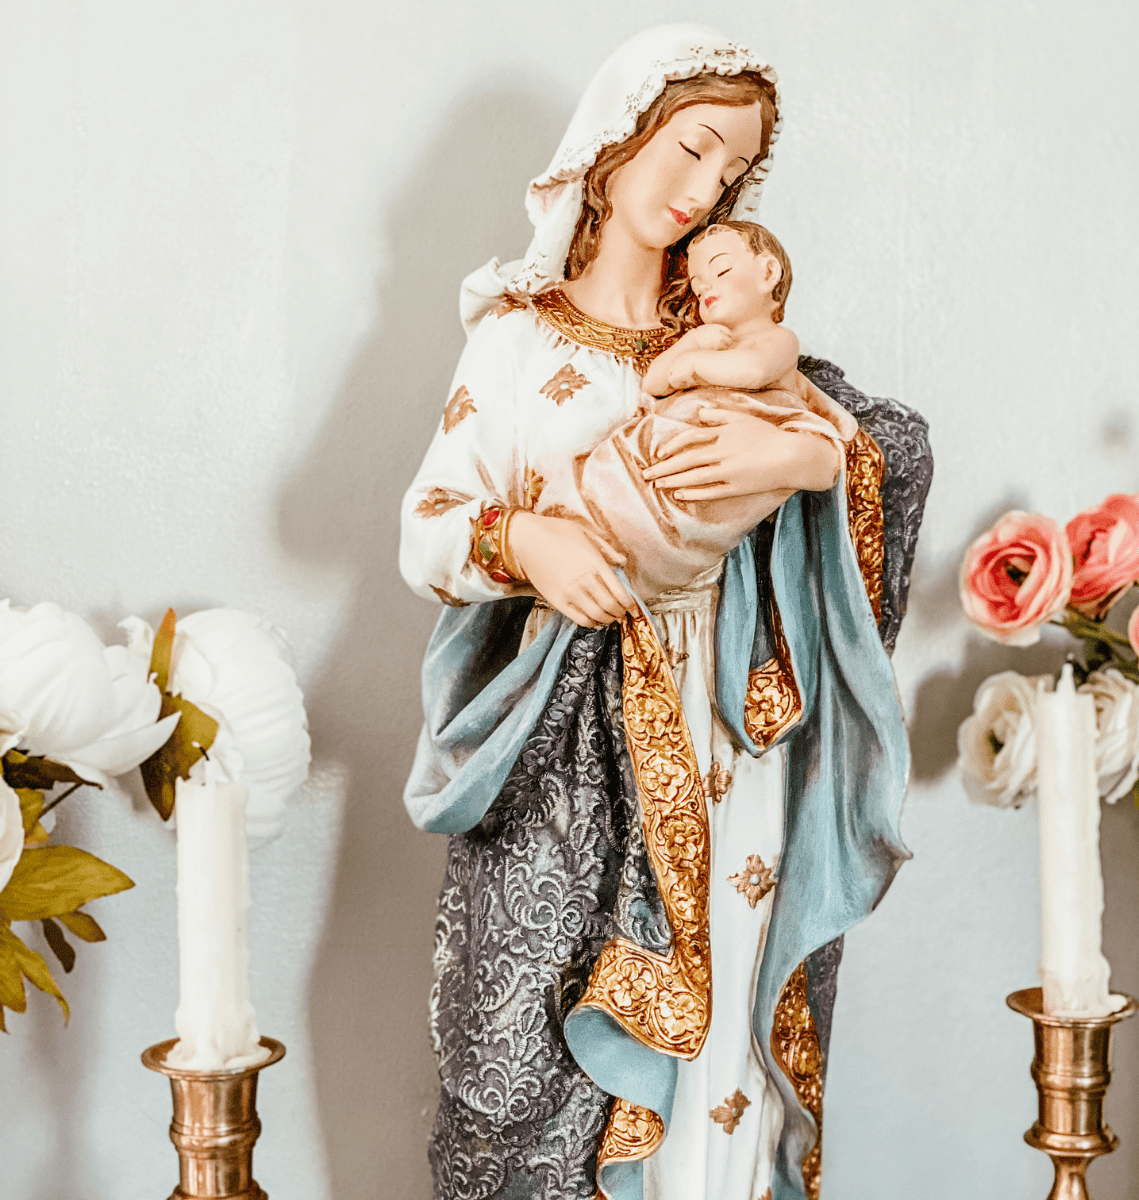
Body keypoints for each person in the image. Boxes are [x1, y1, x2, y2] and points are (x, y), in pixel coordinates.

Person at [400, 25, 932, 1200]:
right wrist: (527, 538)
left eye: (729, 178)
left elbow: (869, 448)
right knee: (522, 1046)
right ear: (616, 138)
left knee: (726, 1016)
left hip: (727, 731)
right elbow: (429, 522)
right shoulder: (514, 338)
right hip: (562, 739)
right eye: (689, 151)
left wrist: (814, 467)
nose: (699, 194)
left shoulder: (732, 344)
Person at [537, 219, 860, 600]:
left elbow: (752, 371)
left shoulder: (777, 340)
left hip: (726, 455)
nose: (705, 287)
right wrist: (688, 346)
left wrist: (694, 365)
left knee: (684, 493)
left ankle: (637, 537)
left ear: (768, 272)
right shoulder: (701, 339)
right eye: (696, 283)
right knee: (627, 462)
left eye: (721, 271)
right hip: (673, 438)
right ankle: (589, 516)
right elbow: (654, 383)